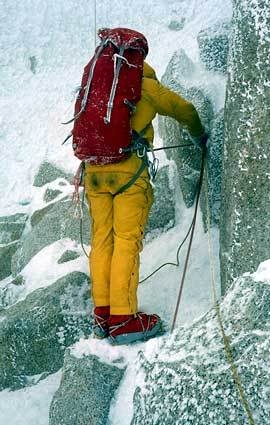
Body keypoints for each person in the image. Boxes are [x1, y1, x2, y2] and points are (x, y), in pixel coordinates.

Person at [83, 39, 206, 346]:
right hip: (128, 176)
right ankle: (123, 319)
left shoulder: (97, 86)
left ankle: (103, 315)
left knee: (102, 241)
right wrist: (200, 136)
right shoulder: (144, 85)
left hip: (94, 173)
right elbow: (185, 110)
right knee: (126, 241)